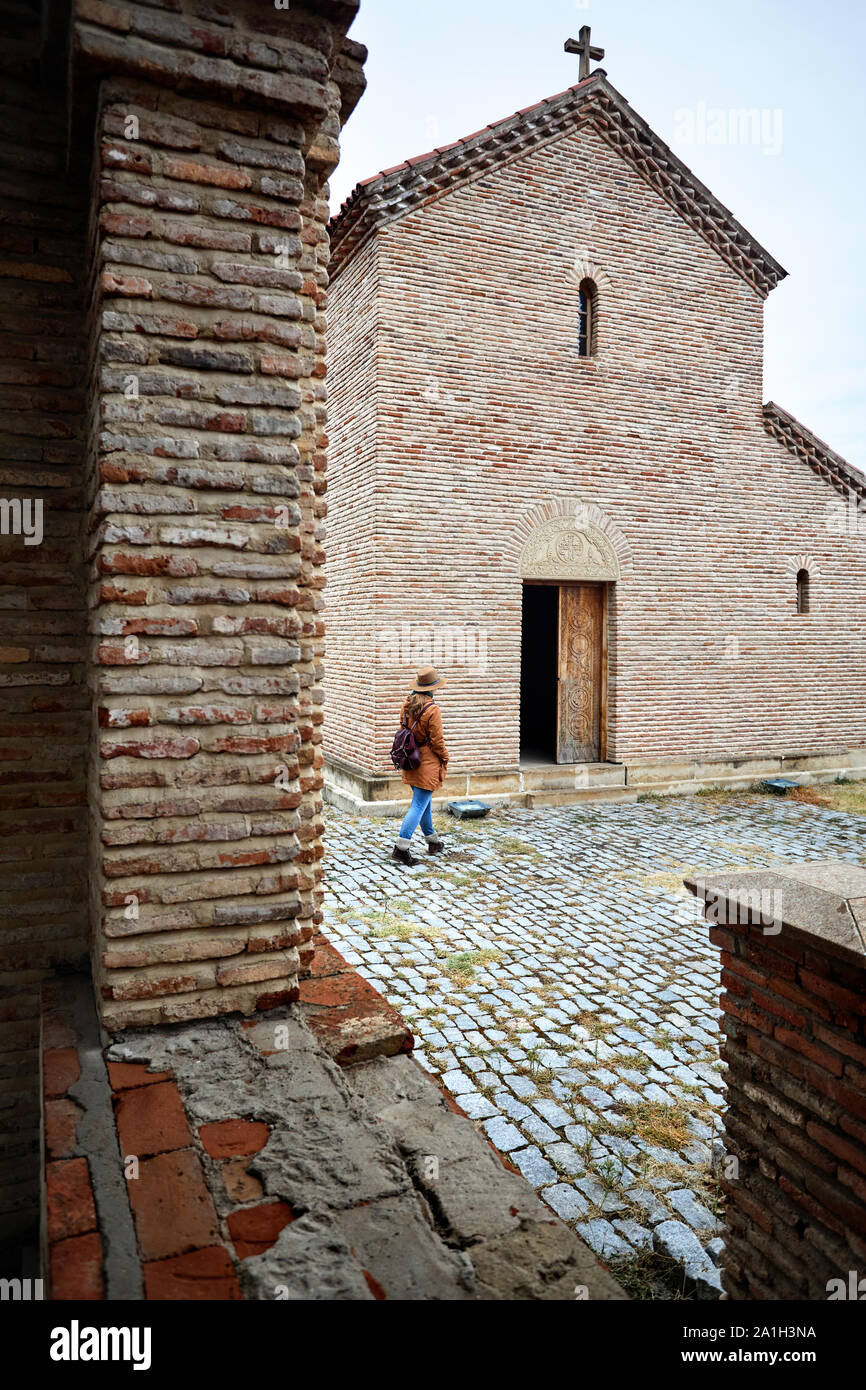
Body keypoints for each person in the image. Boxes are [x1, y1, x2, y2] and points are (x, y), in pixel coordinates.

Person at [392, 666, 449, 866]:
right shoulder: (432, 709)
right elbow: (437, 740)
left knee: (424, 803)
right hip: (427, 762)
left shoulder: (406, 705)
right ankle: (401, 848)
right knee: (418, 805)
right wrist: (445, 757)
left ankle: (433, 842)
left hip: (410, 758)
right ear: (432, 688)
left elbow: (402, 730)